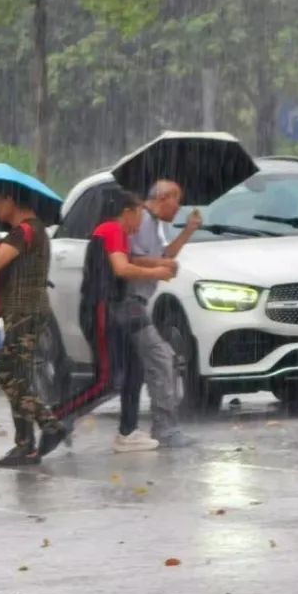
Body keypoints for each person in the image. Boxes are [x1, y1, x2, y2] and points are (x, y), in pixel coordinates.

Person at [0, 190, 67, 468]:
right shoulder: (32, 232)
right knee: (18, 376)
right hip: (26, 312)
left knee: (7, 374)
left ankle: (49, 424)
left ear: (10, 200)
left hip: (26, 313)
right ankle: (24, 445)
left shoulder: (24, 232)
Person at [79, 189, 176, 453]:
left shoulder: (112, 231)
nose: (139, 223)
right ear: (127, 213)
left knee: (133, 369)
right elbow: (121, 268)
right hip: (102, 308)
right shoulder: (112, 230)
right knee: (108, 380)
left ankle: (128, 432)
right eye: (138, 215)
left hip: (112, 309)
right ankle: (56, 417)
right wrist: (155, 270)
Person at [128, 180, 202, 448]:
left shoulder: (154, 224)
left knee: (142, 366)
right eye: (177, 200)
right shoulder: (143, 221)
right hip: (129, 302)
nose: (179, 206)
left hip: (138, 303)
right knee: (162, 359)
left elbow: (164, 253)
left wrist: (189, 231)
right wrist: (161, 265)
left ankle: (143, 427)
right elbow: (132, 258)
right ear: (162, 197)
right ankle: (165, 428)